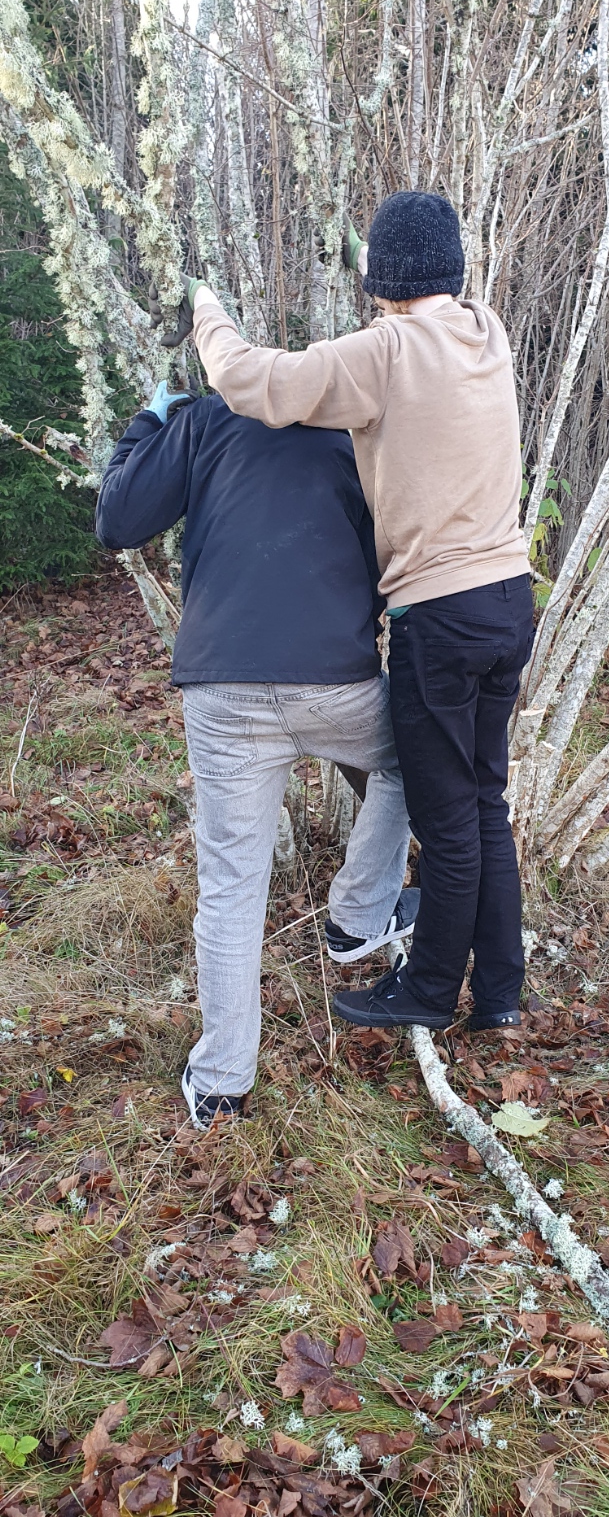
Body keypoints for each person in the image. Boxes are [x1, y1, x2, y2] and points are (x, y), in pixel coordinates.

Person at [154, 189, 533, 1036]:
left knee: (446, 817)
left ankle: (429, 988)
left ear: (382, 285)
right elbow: (418, 301)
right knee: (484, 801)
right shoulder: (487, 332)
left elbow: (251, 381)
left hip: (441, 614)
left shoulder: (384, 351)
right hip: (510, 600)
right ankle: (500, 993)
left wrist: (207, 310)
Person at [96, 378, 417, 1127]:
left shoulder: (209, 417)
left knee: (232, 887)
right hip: (335, 680)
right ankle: (358, 917)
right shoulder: (354, 428)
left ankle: (220, 1084)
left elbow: (118, 519)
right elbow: (398, 552)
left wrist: (148, 420)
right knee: (416, 756)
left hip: (224, 687)